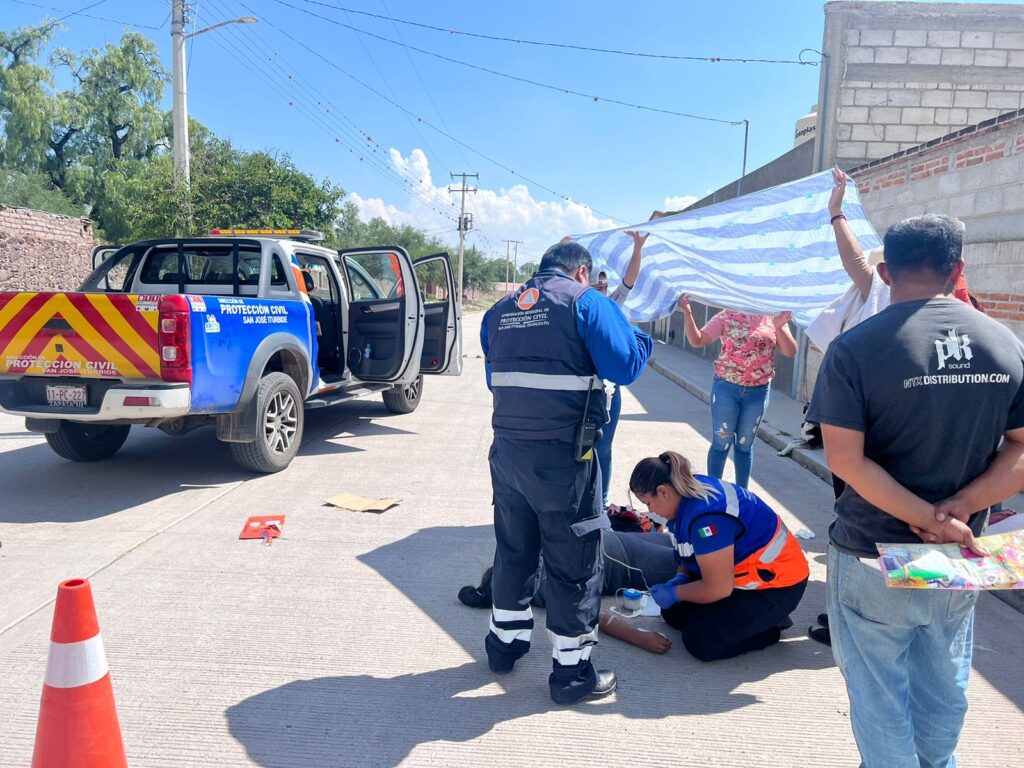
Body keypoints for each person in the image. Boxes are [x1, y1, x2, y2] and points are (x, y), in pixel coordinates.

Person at [808, 213, 1024, 768]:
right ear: (959, 270)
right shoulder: (1004, 344)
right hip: (956, 556)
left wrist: (929, 514)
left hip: (873, 551)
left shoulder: (854, 350)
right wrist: (959, 512)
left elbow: (845, 461)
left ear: (884, 272)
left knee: (880, 696)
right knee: (943, 678)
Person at [480, 240, 652, 704]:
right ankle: (572, 675)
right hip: (564, 461)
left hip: (508, 456)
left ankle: (505, 644)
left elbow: (496, 379)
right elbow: (626, 365)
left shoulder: (498, 311)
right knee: (574, 564)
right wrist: (638, 334)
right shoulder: (588, 303)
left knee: (515, 550)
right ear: (581, 273)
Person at [628, 451, 809, 661]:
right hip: (742, 575)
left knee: (701, 643)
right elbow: (687, 551)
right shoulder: (685, 491)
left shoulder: (708, 520)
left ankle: (770, 626)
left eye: (648, 504)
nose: (651, 512)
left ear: (663, 491)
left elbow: (718, 587)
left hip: (777, 586)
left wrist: (677, 592)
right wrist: (682, 578)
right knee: (673, 613)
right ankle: (750, 620)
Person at [458, 529, 679, 655]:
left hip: (621, 545)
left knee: (682, 549)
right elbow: (593, 616)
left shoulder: (533, 567)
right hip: (624, 554)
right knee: (687, 558)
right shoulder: (541, 583)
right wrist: (640, 638)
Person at [678, 296, 797, 488]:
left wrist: (779, 326)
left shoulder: (773, 317)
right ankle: (715, 493)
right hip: (726, 389)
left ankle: (742, 494)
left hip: (757, 393)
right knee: (721, 444)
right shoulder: (727, 316)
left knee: (744, 446)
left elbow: (790, 351)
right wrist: (687, 313)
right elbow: (697, 340)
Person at [594, 230, 650, 510]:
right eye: (597, 285)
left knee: (603, 449)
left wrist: (638, 247)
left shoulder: (610, 306)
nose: (602, 289)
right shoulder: (573, 308)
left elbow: (629, 281)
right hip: (580, 391)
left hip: (608, 392)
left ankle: (600, 504)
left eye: (604, 285)